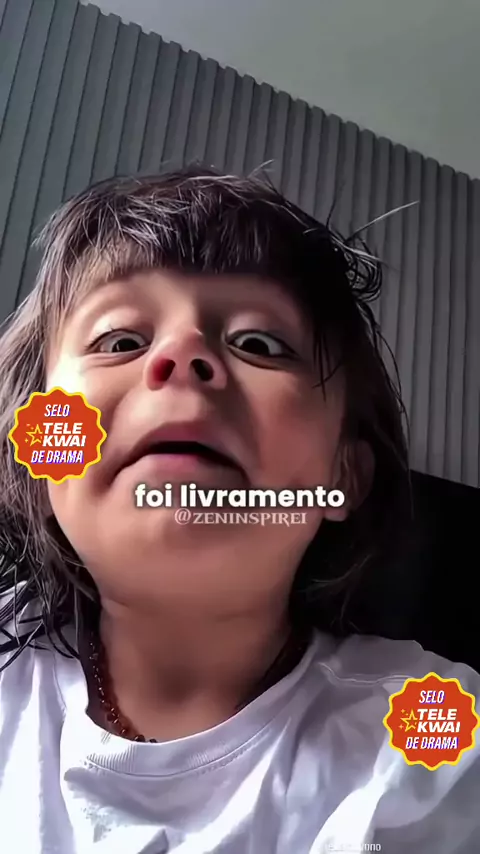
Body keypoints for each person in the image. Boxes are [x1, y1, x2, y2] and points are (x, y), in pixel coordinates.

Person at [0, 166, 477, 854]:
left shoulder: (429, 725)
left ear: (345, 474)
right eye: (120, 340)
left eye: (259, 343)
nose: (182, 356)